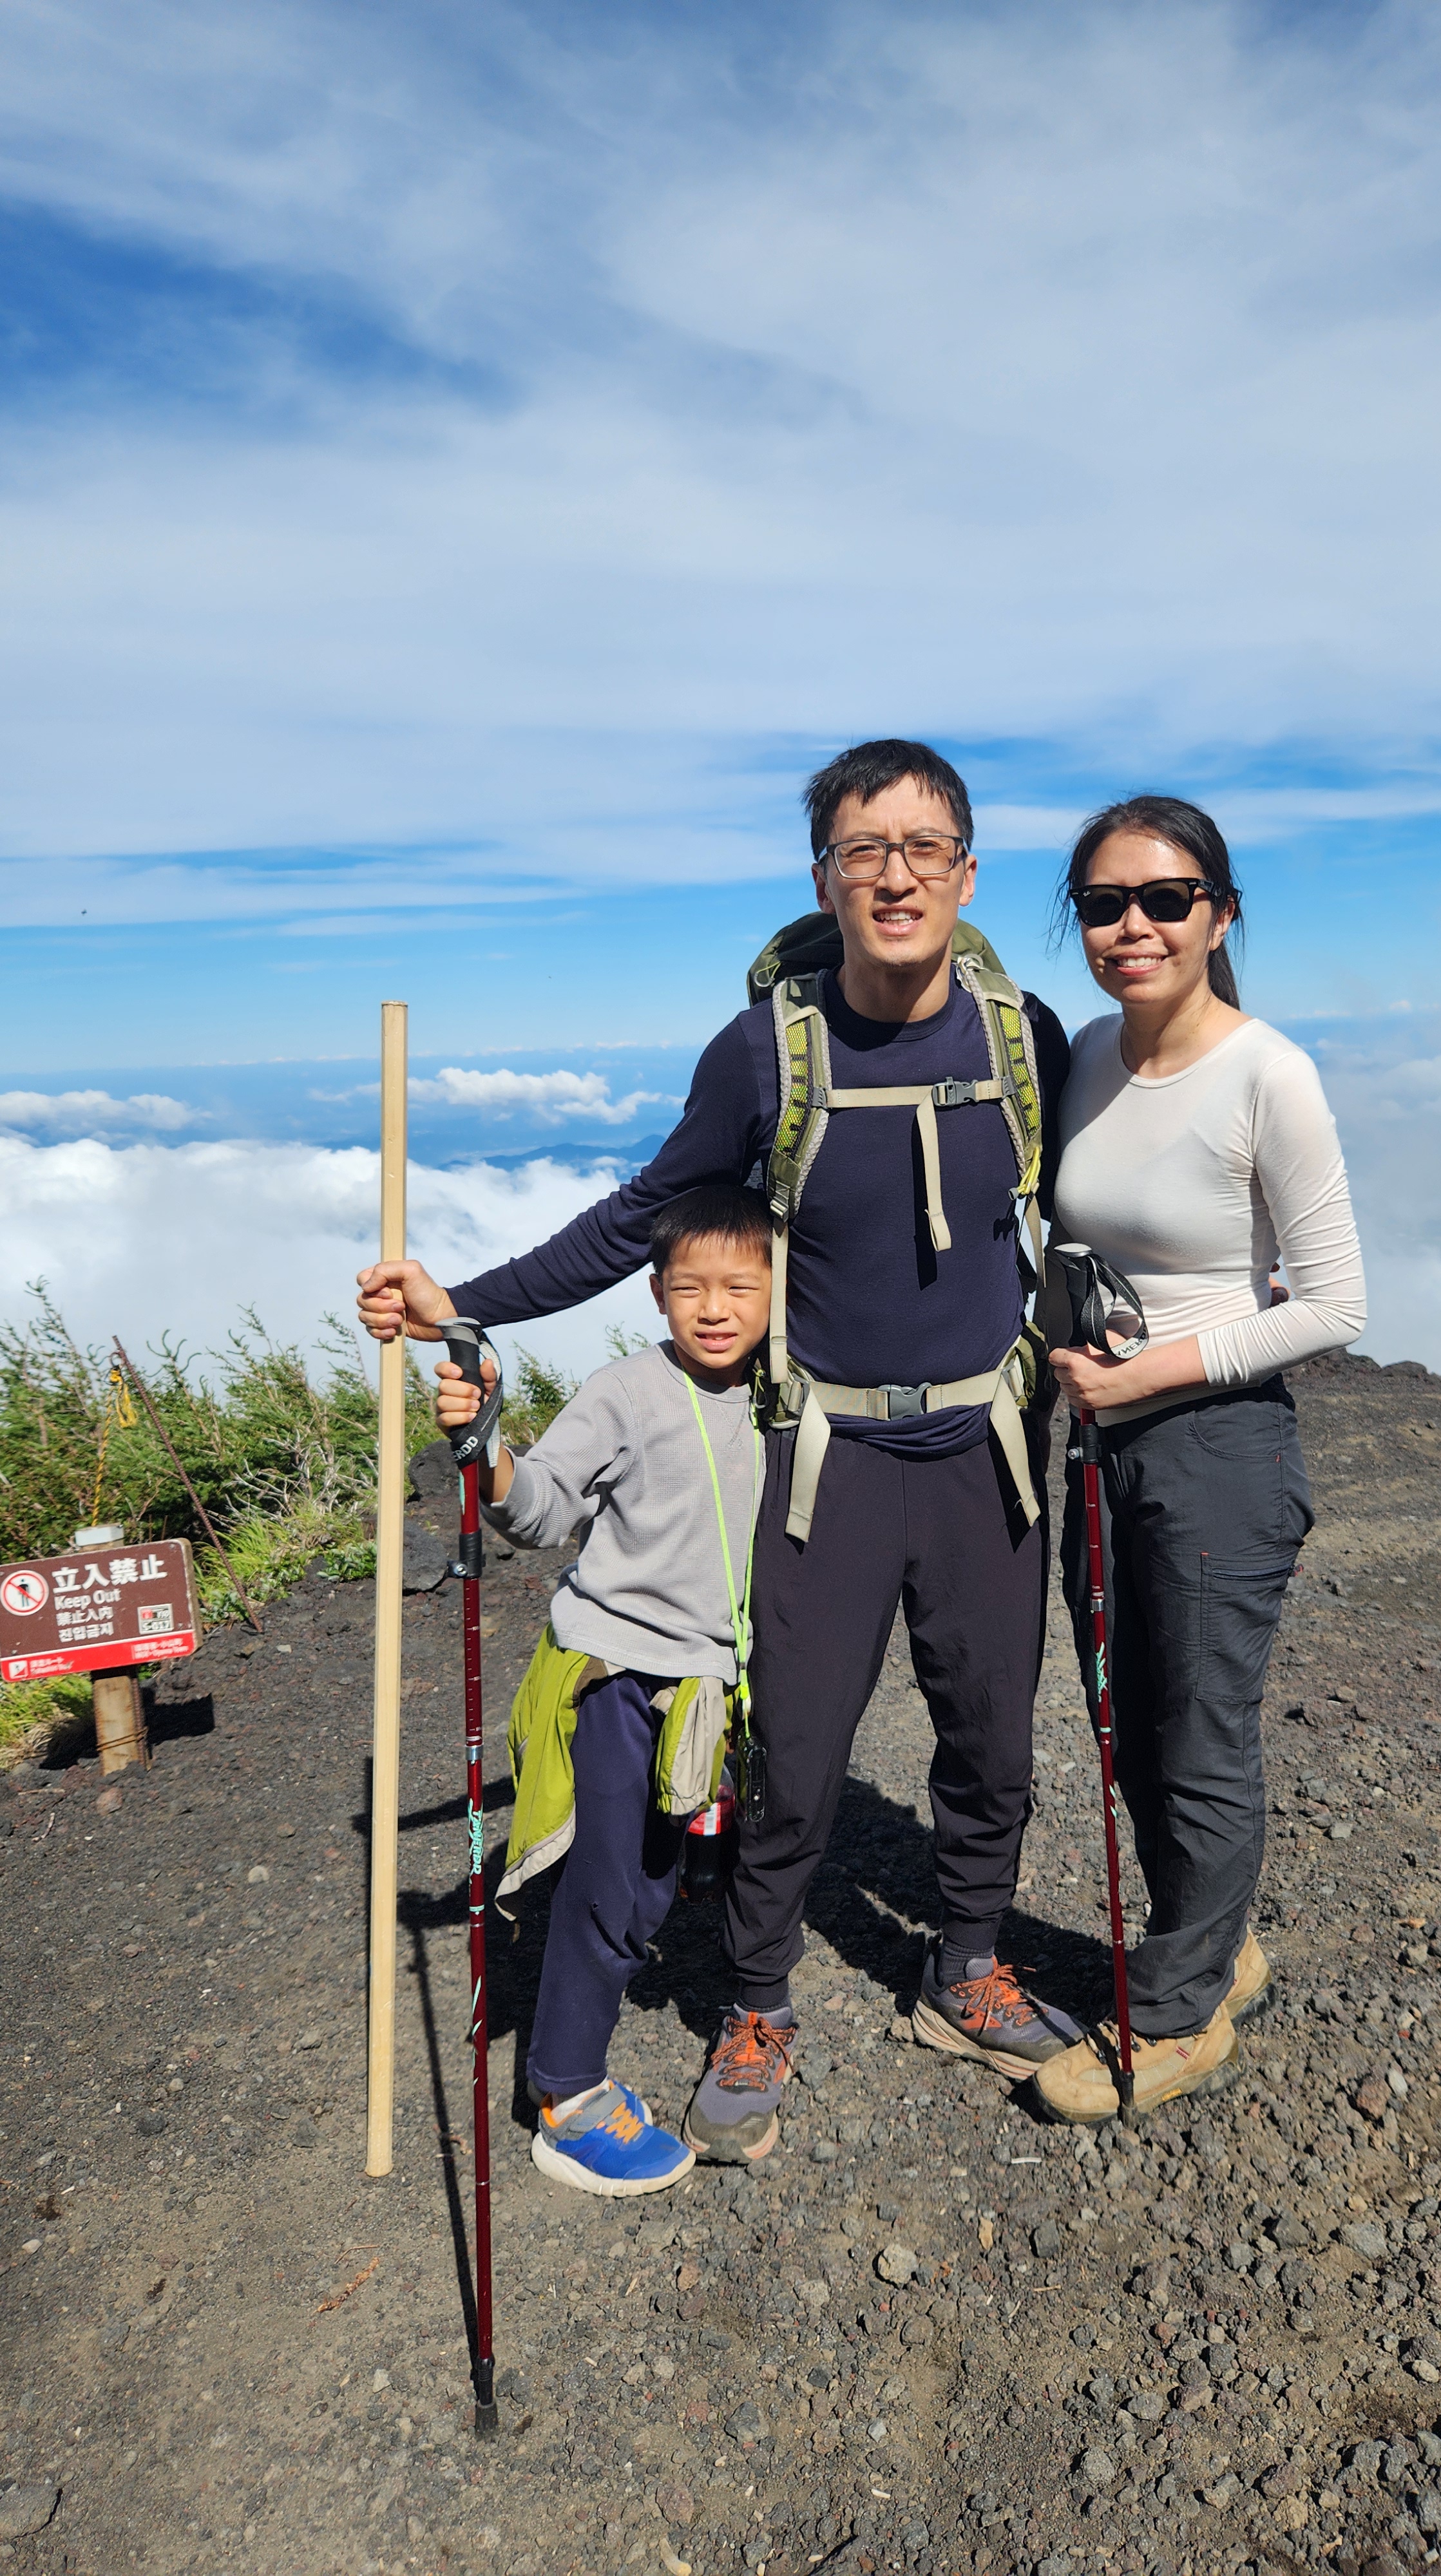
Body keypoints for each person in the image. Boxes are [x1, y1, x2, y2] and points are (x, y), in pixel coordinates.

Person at [359, 739, 1080, 2166]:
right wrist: (467, 1305)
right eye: (863, 849)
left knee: (993, 1734)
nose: (894, 875)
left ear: (966, 872)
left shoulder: (1024, 1036)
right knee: (794, 1751)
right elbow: (649, 1215)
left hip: (987, 1446)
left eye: (923, 848)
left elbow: (1105, 1187)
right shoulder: (765, 1052)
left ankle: (967, 1966)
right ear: (822, 876)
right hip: (823, 1457)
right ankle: (756, 2002)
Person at [1031, 795, 1367, 2123]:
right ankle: (1215, 1940)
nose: (1133, 925)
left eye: (1165, 899)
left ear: (1218, 915)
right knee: (1125, 1715)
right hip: (1100, 1440)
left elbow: (1335, 1304)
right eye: (1104, 903)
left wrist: (1147, 1373)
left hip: (1216, 1442)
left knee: (1198, 1730)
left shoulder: (1269, 1073)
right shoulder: (1087, 1058)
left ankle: (1177, 2014)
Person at [434, 1185, 770, 2194]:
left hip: (712, 1683)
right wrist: (487, 1448)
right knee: (612, 1886)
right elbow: (540, 1511)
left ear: (781, 1291)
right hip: (614, 1675)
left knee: (659, 1873)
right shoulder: (625, 1392)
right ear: (655, 1294)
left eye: (741, 1287)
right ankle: (568, 2095)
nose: (715, 1309)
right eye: (689, 1288)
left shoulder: (789, 1393)